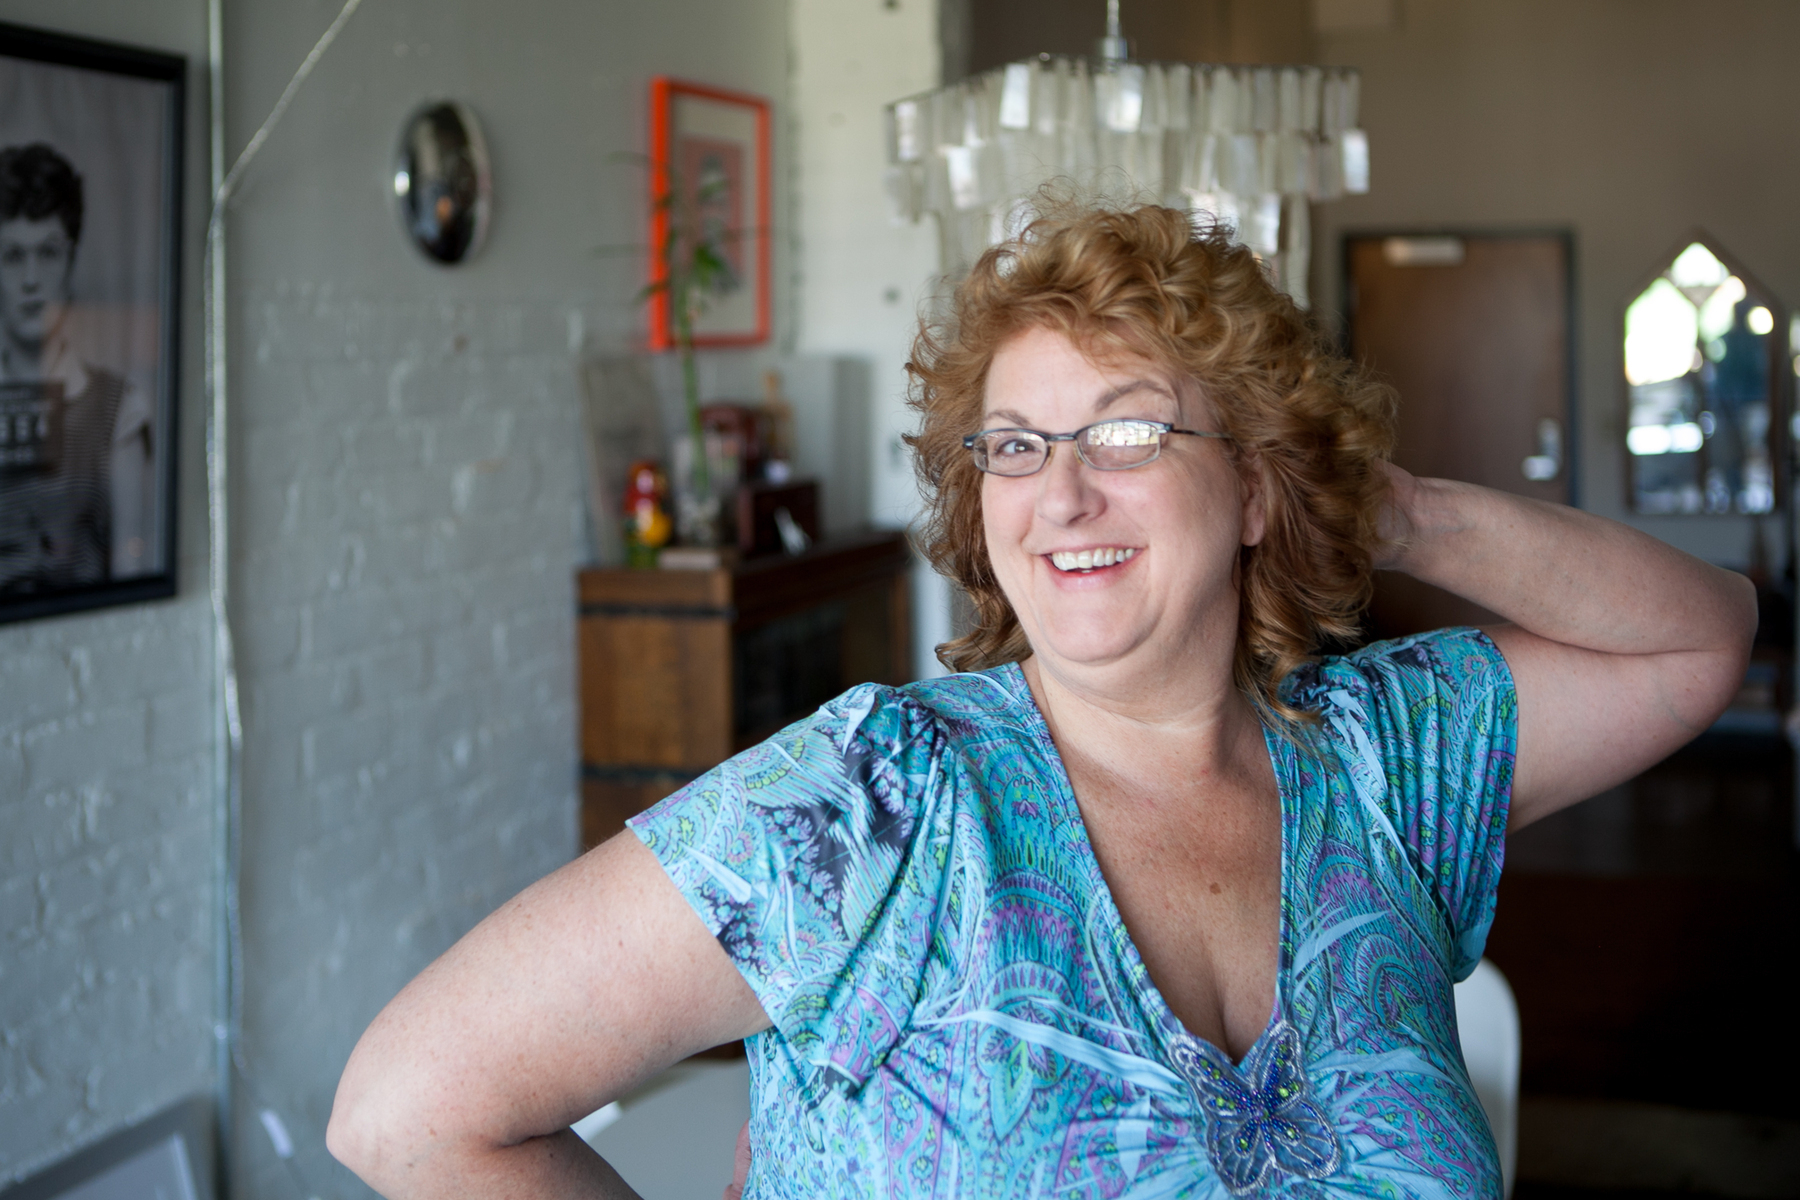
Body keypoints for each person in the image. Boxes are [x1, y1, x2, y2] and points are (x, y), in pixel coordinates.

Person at [327, 205, 1754, 1198]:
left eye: (1126, 429)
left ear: (1254, 484)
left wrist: (1399, 510)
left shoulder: (1388, 757)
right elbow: (410, 1112)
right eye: (1014, 444)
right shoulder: (873, 803)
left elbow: (1701, 641)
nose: (1062, 491)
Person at [0, 141, 155, 592]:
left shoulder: (118, 407)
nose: (31, 279)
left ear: (70, 260)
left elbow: (133, 559)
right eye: (12, 256)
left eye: (47, 252)